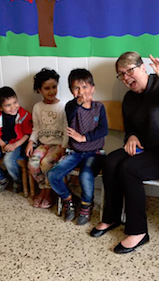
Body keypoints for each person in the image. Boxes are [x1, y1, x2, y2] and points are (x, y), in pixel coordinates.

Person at [90, 51, 159, 254]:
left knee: (130, 169)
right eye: (121, 75)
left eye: (129, 71)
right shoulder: (129, 99)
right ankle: (111, 217)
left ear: (142, 67)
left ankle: (138, 231)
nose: (126, 78)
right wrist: (131, 137)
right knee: (111, 161)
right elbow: (131, 128)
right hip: (149, 149)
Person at [48, 68, 108, 225]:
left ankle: (87, 204)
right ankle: (69, 199)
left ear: (93, 88)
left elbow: (103, 130)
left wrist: (83, 138)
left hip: (95, 153)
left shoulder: (99, 107)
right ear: (71, 91)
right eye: (76, 88)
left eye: (85, 87)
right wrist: (79, 102)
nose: (81, 91)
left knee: (85, 175)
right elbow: (71, 110)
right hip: (74, 152)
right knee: (53, 175)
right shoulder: (71, 107)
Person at [25, 68, 68, 208]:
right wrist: (31, 142)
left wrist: (63, 147)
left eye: (54, 87)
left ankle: (49, 194)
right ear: (39, 90)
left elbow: (67, 130)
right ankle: (43, 188)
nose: (51, 91)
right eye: (47, 88)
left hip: (58, 146)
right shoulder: (37, 107)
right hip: (43, 145)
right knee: (32, 164)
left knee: (45, 164)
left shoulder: (63, 107)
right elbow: (36, 128)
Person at [0, 86, 32, 192]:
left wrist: (14, 145)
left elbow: (27, 134)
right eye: (8, 105)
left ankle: (17, 180)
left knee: (8, 160)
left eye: (15, 102)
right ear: (0, 107)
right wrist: (2, 145)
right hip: (1, 143)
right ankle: (2, 178)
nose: (13, 107)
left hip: (17, 143)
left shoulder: (24, 115)